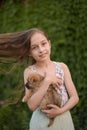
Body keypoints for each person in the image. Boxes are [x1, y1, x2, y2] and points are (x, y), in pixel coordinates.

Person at [0, 28, 79, 130]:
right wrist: (46, 82)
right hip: (41, 123)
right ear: (29, 52)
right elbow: (32, 106)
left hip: (64, 120)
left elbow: (74, 97)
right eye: (35, 47)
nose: (41, 50)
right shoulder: (29, 71)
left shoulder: (62, 67)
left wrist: (60, 111)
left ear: (49, 44)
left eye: (43, 44)